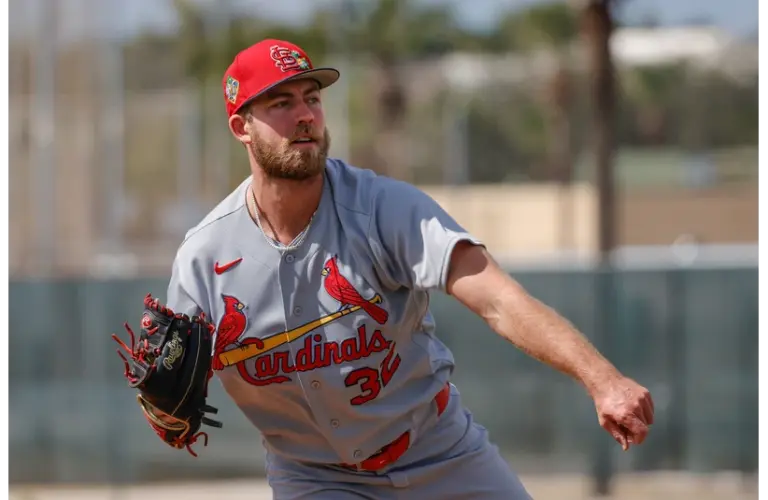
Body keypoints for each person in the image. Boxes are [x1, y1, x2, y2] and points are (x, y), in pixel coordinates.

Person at [163, 38, 654, 499]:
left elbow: (499, 299)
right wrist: (167, 410)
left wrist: (602, 380)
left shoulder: (382, 208)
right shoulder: (205, 257)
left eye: (311, 97)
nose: (305, 115)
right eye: (281, 104)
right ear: (241, 127)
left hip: (438, 453)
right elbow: (173, 389)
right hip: (313, 478)